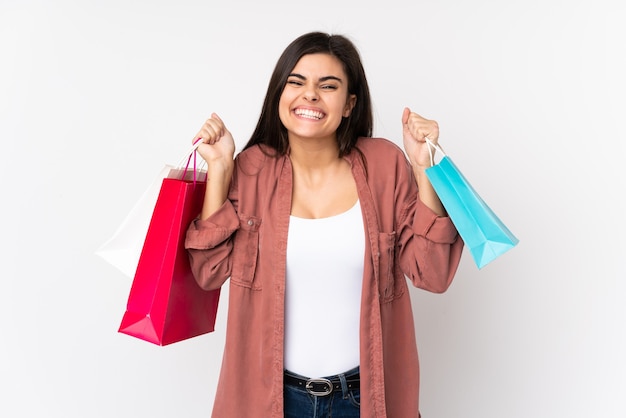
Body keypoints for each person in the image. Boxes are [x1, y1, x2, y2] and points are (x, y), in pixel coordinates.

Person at [185, 31, 464, 418]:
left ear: (350, 104)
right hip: (271, 399)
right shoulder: (250, 169)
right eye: (296, 82)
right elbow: (208, 271)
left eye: (327, 85)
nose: (310, 95)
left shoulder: (384, 165)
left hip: (365, 398)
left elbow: (432, 273)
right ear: (279, 94)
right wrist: (220, 167)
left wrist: (425, 168)